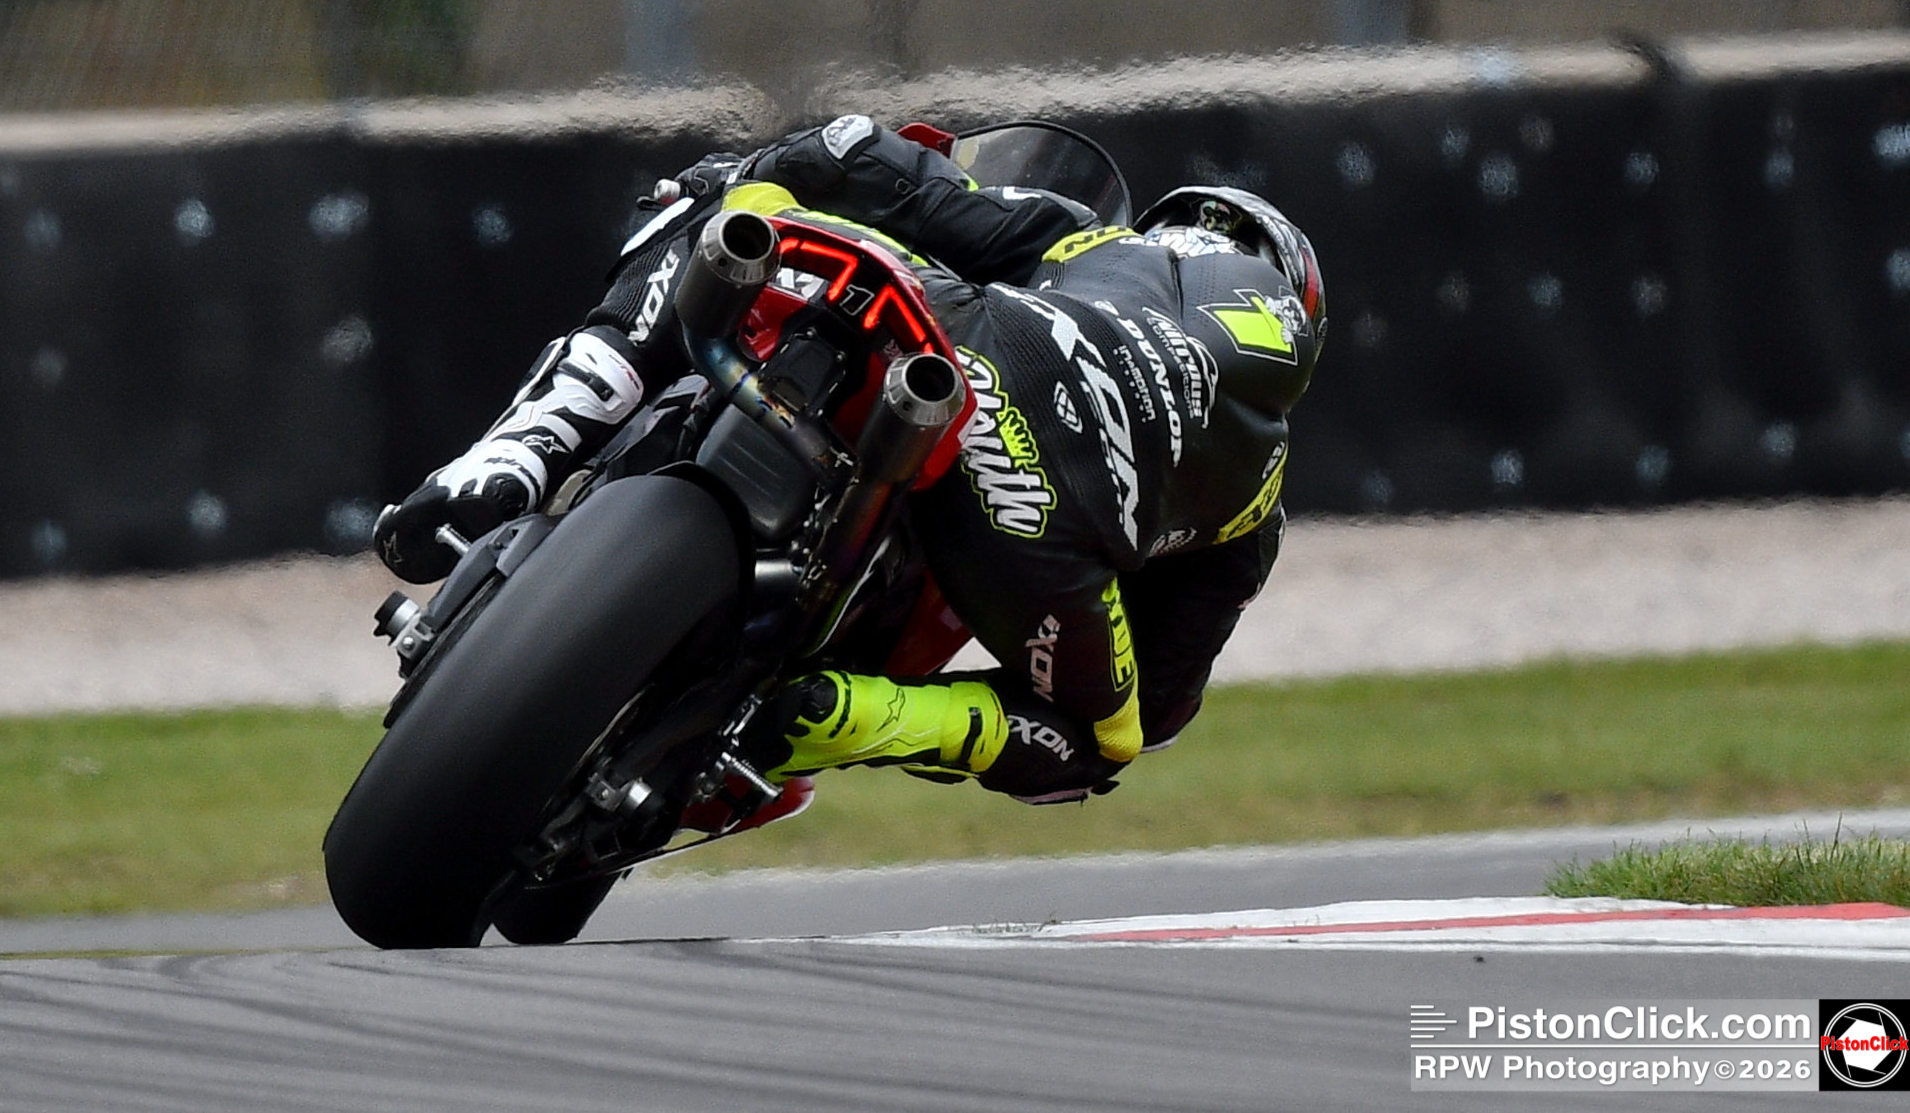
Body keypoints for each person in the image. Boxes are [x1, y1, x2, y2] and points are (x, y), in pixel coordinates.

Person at [373, 115, 1325, 806]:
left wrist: (744, 179)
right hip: (1039, 540)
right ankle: (855, 713)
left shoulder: (1094, 241)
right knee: (1107, 739)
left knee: (723, 213)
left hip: (969, 351)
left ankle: (516, 456)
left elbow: (860, 156)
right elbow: (1153, 712)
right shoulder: (1258, 506)